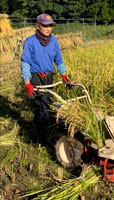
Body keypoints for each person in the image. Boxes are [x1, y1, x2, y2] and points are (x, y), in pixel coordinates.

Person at [21, 13, 71, 142]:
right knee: (43, 107)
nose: (48, 28)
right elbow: (25, 62)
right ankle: (42, 140)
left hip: (49, 77)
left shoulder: (54, 40)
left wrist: (64, 75)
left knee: (46, 105)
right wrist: (27, 83)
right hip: (35, 78)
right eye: (45, 26)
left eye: (50, 25)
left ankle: (43, 132)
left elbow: (58, 60)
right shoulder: (30, 41)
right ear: (38, 26)